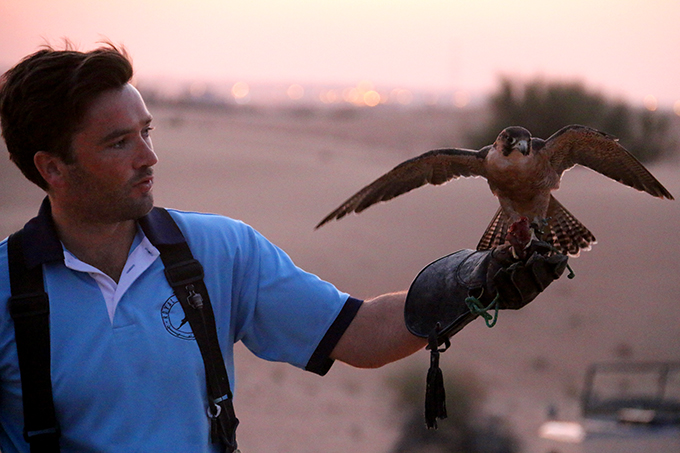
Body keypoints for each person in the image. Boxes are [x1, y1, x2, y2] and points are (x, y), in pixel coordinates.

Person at [0, 44, 566, 452]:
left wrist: (476, 279)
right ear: (52, 168)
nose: (148, 157)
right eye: (119, 142)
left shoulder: (219, 252)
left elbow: (361, 333)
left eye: (147, 131)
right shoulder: (6, 290)